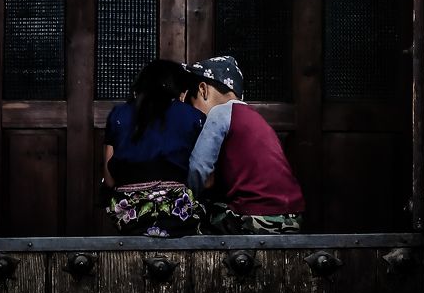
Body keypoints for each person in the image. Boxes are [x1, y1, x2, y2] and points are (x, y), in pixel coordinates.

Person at [185, 55, 305, 234]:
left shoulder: (220, 112)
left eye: (191, 104)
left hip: (257, 217)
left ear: (203, 90)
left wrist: (186, 201)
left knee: (195, 221)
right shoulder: (256, 118)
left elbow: (198, 169)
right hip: (293, 216)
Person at [103, 58, 206, 237]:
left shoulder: (118, 115)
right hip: (178, 215)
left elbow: (109, 180)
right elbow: (207, 177)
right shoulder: (193, 117)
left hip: (129, 217)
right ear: (180, 91)